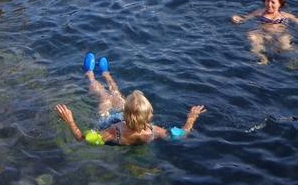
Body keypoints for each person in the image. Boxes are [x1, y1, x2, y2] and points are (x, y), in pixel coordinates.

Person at [55, 56, 205, 146]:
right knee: (118, 96)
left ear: (127, 114)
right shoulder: (153, 131)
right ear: (149, 116)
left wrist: (70, 120)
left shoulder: (114, 132)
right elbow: (181, 134)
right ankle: (106, 74)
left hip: (108, 120)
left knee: (105, 96)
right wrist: (191, 117)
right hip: (127, 119)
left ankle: (90, 74)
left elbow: (82, 139)